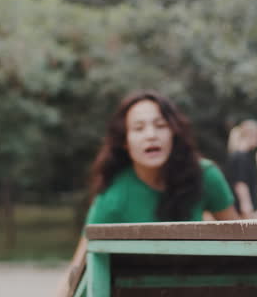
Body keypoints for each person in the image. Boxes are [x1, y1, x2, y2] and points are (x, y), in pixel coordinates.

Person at [56, 90, 238, 296]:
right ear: (125, 141)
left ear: (174, 132)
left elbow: (240, 243)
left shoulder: (206, 176)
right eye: (139, 128)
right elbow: (78, 267)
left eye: (160, 126)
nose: (151, 135)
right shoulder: (112, 197)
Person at [225, 120, 257, 218]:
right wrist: (246, 206)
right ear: (251, 134)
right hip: (243, 209)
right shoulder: (240, 157)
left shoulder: (240, 155)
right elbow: (240, 183)